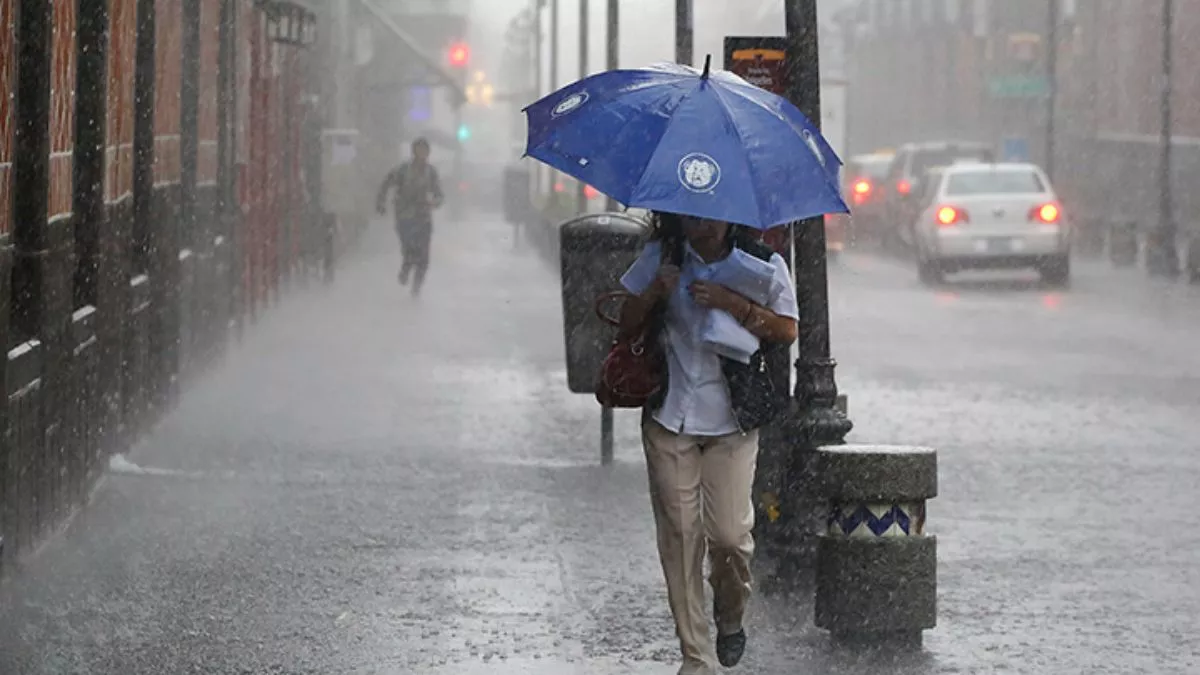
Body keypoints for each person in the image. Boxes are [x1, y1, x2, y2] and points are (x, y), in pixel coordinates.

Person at [617, 212, 799, 675]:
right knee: (680, 536)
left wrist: (733, 304)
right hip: (668, 415)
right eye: (695, 215)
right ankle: (695, 657)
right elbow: (624, 322)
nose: (706, 225)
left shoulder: (761, 263)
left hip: (732, 421)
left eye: (716, 216)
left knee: (730, 539)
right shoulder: (663, 257)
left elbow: (786, 330)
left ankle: (730, 614)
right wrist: (657, 290)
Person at [376, 138, 444, 296]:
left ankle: (416, 287)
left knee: (424, 257)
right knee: (410, 249)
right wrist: (380, 201)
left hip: (423, 217)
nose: (422, 153)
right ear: (414, 152)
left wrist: (435, 202)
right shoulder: (403, 170)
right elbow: (386, 183)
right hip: (404, 216)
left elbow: (439, 194)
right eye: (419, 150)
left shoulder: (431, 172)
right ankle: (406, 267)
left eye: (425, 150)